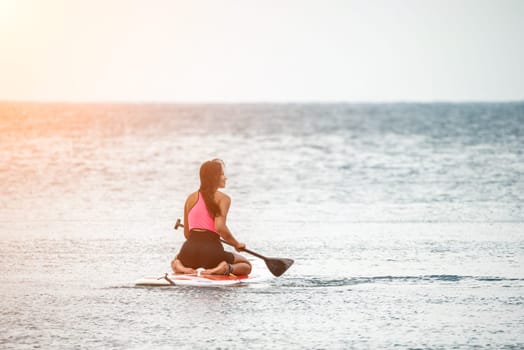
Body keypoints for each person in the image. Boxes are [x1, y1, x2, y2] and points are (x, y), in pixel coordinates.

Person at [171, 159, 252, 276]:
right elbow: (220, 228)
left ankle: (179, 266)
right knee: (246, 265)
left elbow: (187, 233)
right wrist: (236, 244)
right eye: (222, 174)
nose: (225, 178)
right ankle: (223, 268)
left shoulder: (190, 198)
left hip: (188, 250)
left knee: (176, 259)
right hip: (212, 253)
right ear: (214, 178)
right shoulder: (223, 198)